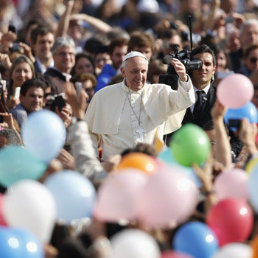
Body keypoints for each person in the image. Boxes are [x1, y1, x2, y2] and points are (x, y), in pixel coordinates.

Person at [85, 51, 195, 161]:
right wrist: (92, 160)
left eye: (143, 71)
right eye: (135, 71)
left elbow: (186, 101)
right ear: (123, 72)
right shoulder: (103, 96)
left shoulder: (160, 92)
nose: (140, 76)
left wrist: (183, 79)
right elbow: (89, 133)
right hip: (117, 167)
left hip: (151, 165)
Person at [181, 44, 217, 128]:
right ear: (190, 67)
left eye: (207, 64)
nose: (203, 67)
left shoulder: (221, 97)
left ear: (214, 69)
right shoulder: (178, 94)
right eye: (197, 63)